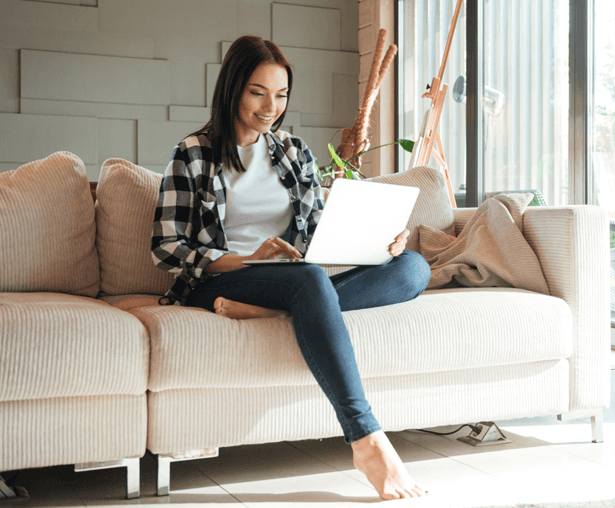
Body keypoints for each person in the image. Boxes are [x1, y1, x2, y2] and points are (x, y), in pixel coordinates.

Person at [151, 35, 431, 500]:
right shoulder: (193, 153)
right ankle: (366, 439)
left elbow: (319, 229)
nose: (270, 107)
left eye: (280, 95)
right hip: (221, 280)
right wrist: (246, 259)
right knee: (309, 281)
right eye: (258, 92)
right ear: (233, 89)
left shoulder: (292, 152)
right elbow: (165, 247)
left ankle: (287, 314)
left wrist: (378, 241)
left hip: (293, 282)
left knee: (414, 268)